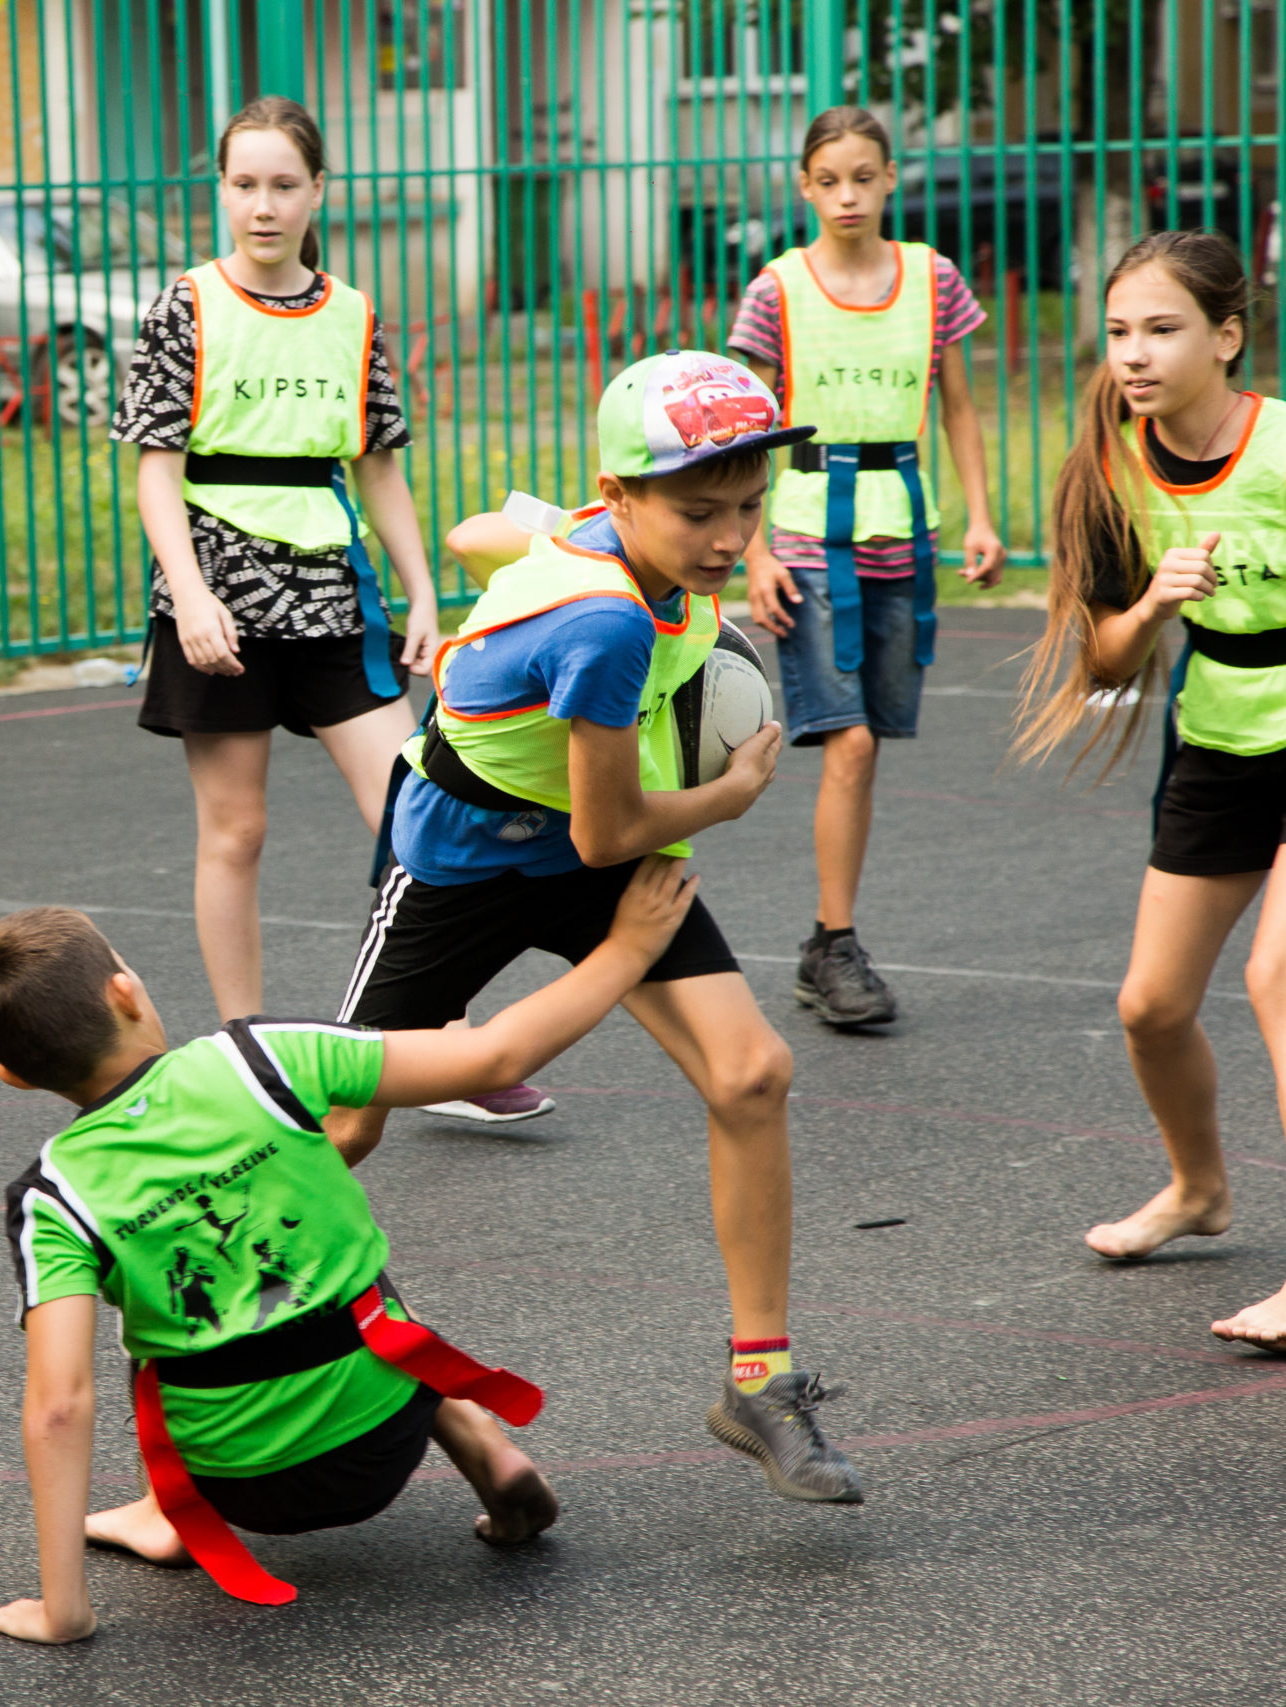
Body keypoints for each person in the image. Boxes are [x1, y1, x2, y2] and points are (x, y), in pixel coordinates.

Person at [327, 350, 866, 1505]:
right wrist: (726, 797)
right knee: (343, 1126)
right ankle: (212, 1311)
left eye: (746, 508)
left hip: (591, 839)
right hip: (468, 858)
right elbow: (605, 828)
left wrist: (506, 564)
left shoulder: (613, 538)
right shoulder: (608, 622)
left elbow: (485, 528)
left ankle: (759, 1381)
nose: (728, 538)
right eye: (697, 512)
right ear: (620, 496)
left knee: (752, 1073)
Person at [0, 865, 692, 1641]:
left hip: (240, 1483)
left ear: (13, 1075)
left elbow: (59, 1405)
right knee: (341, 1257)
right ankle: (479, 1441)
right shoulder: (261, 1057)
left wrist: (62, 1609)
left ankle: (168, 1513)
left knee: (150, 1311)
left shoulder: (52, 1196)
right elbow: (494, 1059)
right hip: (385, 1432)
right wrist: (629, 947)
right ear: (127, 992)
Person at [110, 95, 546, 1125]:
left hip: (329, 590)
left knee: (416, 810)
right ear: (221, 189)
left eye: (283, 185)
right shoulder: (186, 305)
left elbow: (379, 468)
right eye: (243, 184)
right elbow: (155, 472)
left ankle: (430, 1043)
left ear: (317, 192)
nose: (262, 206)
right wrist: (190, 595)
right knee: (236, 830)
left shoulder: (354, 313)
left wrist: (425, 590)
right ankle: (249, 1058)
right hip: (217, 595)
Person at [1013, 230, 1286, 1353]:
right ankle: (1198, 1191)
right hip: (1215, 734)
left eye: (1163, 329)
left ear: (1226, 338)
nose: (1133, 354)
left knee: (1284, 974)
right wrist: (1150, 608)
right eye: (1120, 330)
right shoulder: (1111, 464)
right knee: (1149, 1006)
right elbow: (1100, 658)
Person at [730, 105, 1007, 1027]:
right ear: (803, 188)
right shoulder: (777, 290)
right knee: (845, 741)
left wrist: (981, 516)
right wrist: (755, 550)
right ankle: (836, 942)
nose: (846, 194)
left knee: (869, 745)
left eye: (863, 176)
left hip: (903, 532)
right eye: (828, 180)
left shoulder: (932, 279)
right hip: (809, 538)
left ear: (891, 178)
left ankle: (824, 945)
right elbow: (740, 432)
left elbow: (959, 406)